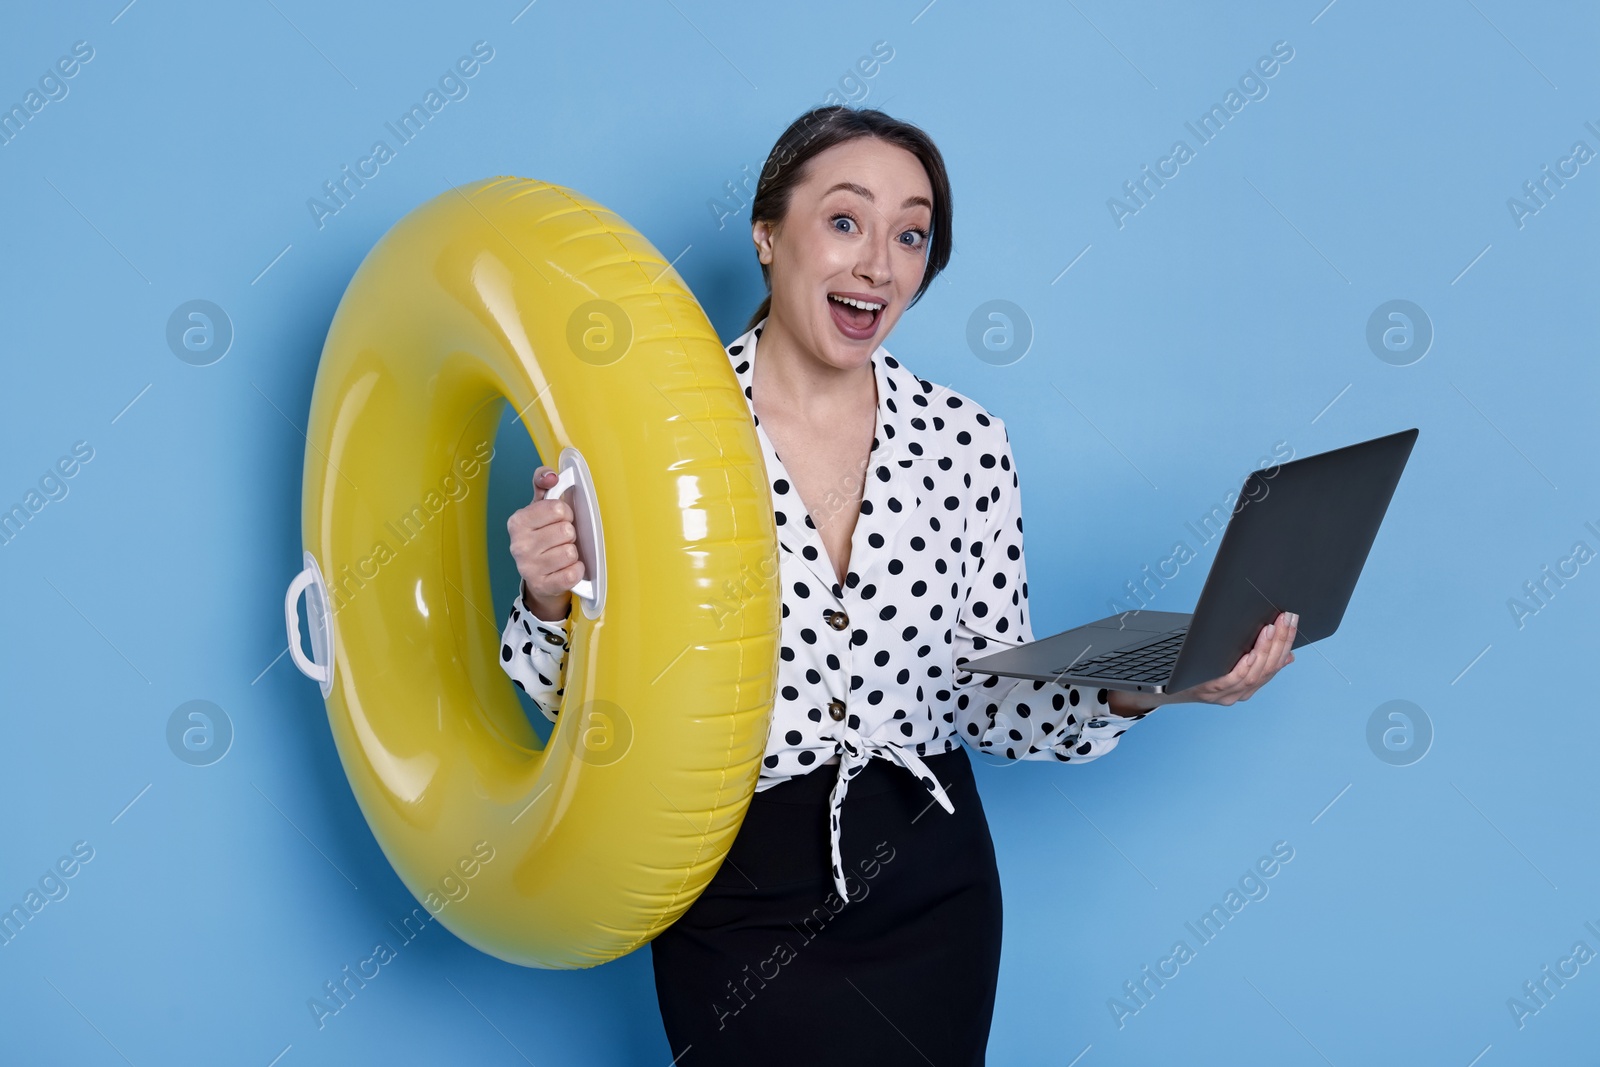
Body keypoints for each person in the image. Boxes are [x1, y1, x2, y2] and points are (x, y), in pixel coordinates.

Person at [499, 105, 1297, 1066]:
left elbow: (988, 701)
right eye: (844, 221)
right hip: (732, 884)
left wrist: (1153, 680)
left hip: (934, 882)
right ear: (766, 235)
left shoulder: (967, 443)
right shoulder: (653, 441)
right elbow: (585, 712)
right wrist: (549, 600)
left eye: (910, 234)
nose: (878, 262)